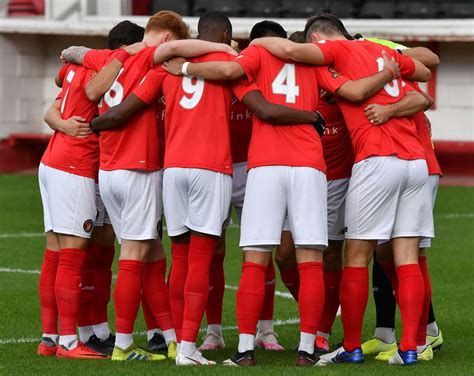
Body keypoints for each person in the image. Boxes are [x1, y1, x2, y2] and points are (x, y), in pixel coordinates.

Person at [162, 19, 405, 367]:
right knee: (310, 260)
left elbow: (229, 70)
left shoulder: (257, 55)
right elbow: (351, 92)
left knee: (255, 258)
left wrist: (183, 67)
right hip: (309, 165)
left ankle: (245, 350)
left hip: (265, 165)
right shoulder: (315, 62)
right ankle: (308, 348)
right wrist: (387, 76)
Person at [88, 13, 327, 366]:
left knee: (180, 258)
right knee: (206, 257)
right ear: (226, 35)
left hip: (172, 168)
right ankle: (189, 347)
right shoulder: (229, 60)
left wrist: (91, 123)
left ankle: (179, 341)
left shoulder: (167, 63)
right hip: (213, 167)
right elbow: (249, 90)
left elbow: (129, 105)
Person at [250, 13, 434, 366]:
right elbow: (423, 78)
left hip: (377, 159)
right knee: (407, 256)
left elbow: (292, 51)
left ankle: (350, 347)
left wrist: (256, 42)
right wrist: (392, 75)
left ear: (319, 39)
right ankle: (410, 349)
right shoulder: (382, 52)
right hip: (415, 164)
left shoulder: (334, 52)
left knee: (355, 257)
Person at [60, 10, 239, 362]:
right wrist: (229, 51)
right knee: (142, 258)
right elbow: (231, 68)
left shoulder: (112, 56)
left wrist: (70, 64)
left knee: (156, 255)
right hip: (144, 168)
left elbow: (73, 54)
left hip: (116, 169)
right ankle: (128, 344)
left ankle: (171, 337)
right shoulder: (158, 61)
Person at [38, 20, 146, 360]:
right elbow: (90, 93)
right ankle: (69, 342)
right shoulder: (106, 67)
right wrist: (126, 56)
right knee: (72, 255)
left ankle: (51, 337)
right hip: (75, 165)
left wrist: (59, 120)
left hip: (58, 161)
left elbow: (57, 95)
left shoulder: (76, 66)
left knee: (58, 252)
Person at [359, 37, 443, 362]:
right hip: (400, 164)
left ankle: (424, 337)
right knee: (384, 253)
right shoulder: (375, 76)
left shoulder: (386, 67)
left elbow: (428, 64)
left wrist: (386, 57)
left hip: (416, 164)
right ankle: (388, 334)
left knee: (410, 254)